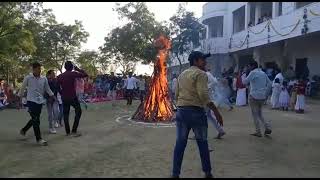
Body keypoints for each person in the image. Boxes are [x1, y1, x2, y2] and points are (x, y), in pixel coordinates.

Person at [172, 51, 223, 178]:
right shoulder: (201, 74)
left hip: (181, 112)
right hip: (196, 113)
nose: (205, 62)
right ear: (195, 61)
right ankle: (207, 173)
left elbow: (176, 94)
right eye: (202, 59)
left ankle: (175, 174)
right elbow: (203, 95)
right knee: (202, 143)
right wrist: (216, 111)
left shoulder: (182, 74)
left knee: (180, 144)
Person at [18, 62, 55, 146]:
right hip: (30, 101)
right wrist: (19, 100)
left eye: (40, 68)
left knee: (35, 118)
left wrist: (53, 96)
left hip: (39, 101)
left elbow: (47, 88)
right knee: (36, 119)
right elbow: (22, 89)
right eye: (38, 69)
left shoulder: (43, 79)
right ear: (33, 69)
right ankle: (39, 139)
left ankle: (24, 130)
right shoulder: (28, 78)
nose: (40, 70)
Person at [57, 61, 88, 137]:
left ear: (64, 67)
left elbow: (57, 86)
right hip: (72, 97)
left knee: (66, 114)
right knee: (78, 111)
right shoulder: (73, 74)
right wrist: (78, 69)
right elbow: (85, 75)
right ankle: (74, 130)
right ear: (72, 67)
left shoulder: (60, 76)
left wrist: (62, 93)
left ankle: (67, 132)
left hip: (64, 97)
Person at [243, 61, 272, 137]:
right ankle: (267, 127)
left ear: (252, 66)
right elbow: (270, 83)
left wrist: (244, 74)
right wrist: (266, 94)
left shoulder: (253, 72)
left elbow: (245, 82)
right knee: (260, 114)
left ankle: (258, 132)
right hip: (262, 96)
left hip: (254, 96)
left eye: (249, 66)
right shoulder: (263, 73)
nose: (248, 68)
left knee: (255, 115)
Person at [206, 69, 226, 139]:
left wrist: (207, 87)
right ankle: (220, 130)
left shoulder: (206, 74)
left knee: (201, 116)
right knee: (209, 115)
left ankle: (198, 134)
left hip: (206, 98)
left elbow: (215, 82)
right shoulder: (207, 74)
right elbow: (215, 82)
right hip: (207, 98)